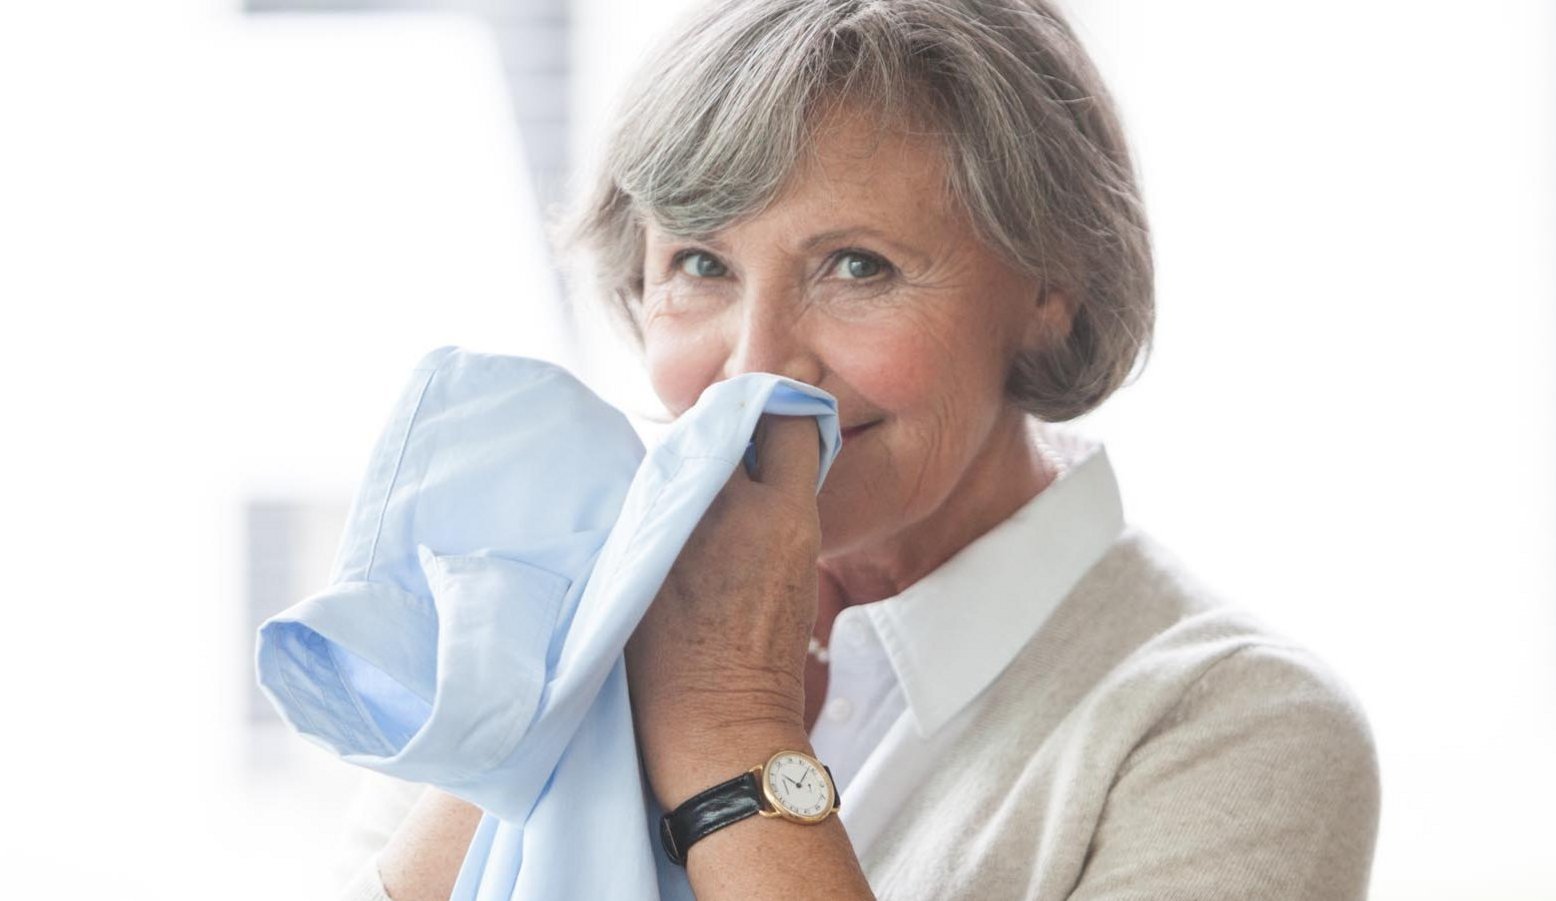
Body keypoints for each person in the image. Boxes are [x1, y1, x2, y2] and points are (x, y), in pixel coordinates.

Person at [336, 1, 1381, 899]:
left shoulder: (1233, 726)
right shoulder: (541, 610)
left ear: (1050, 293)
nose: (756, 368)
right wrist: (561, 666)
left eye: (856, 266)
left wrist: (731, 731)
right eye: (699, 260)